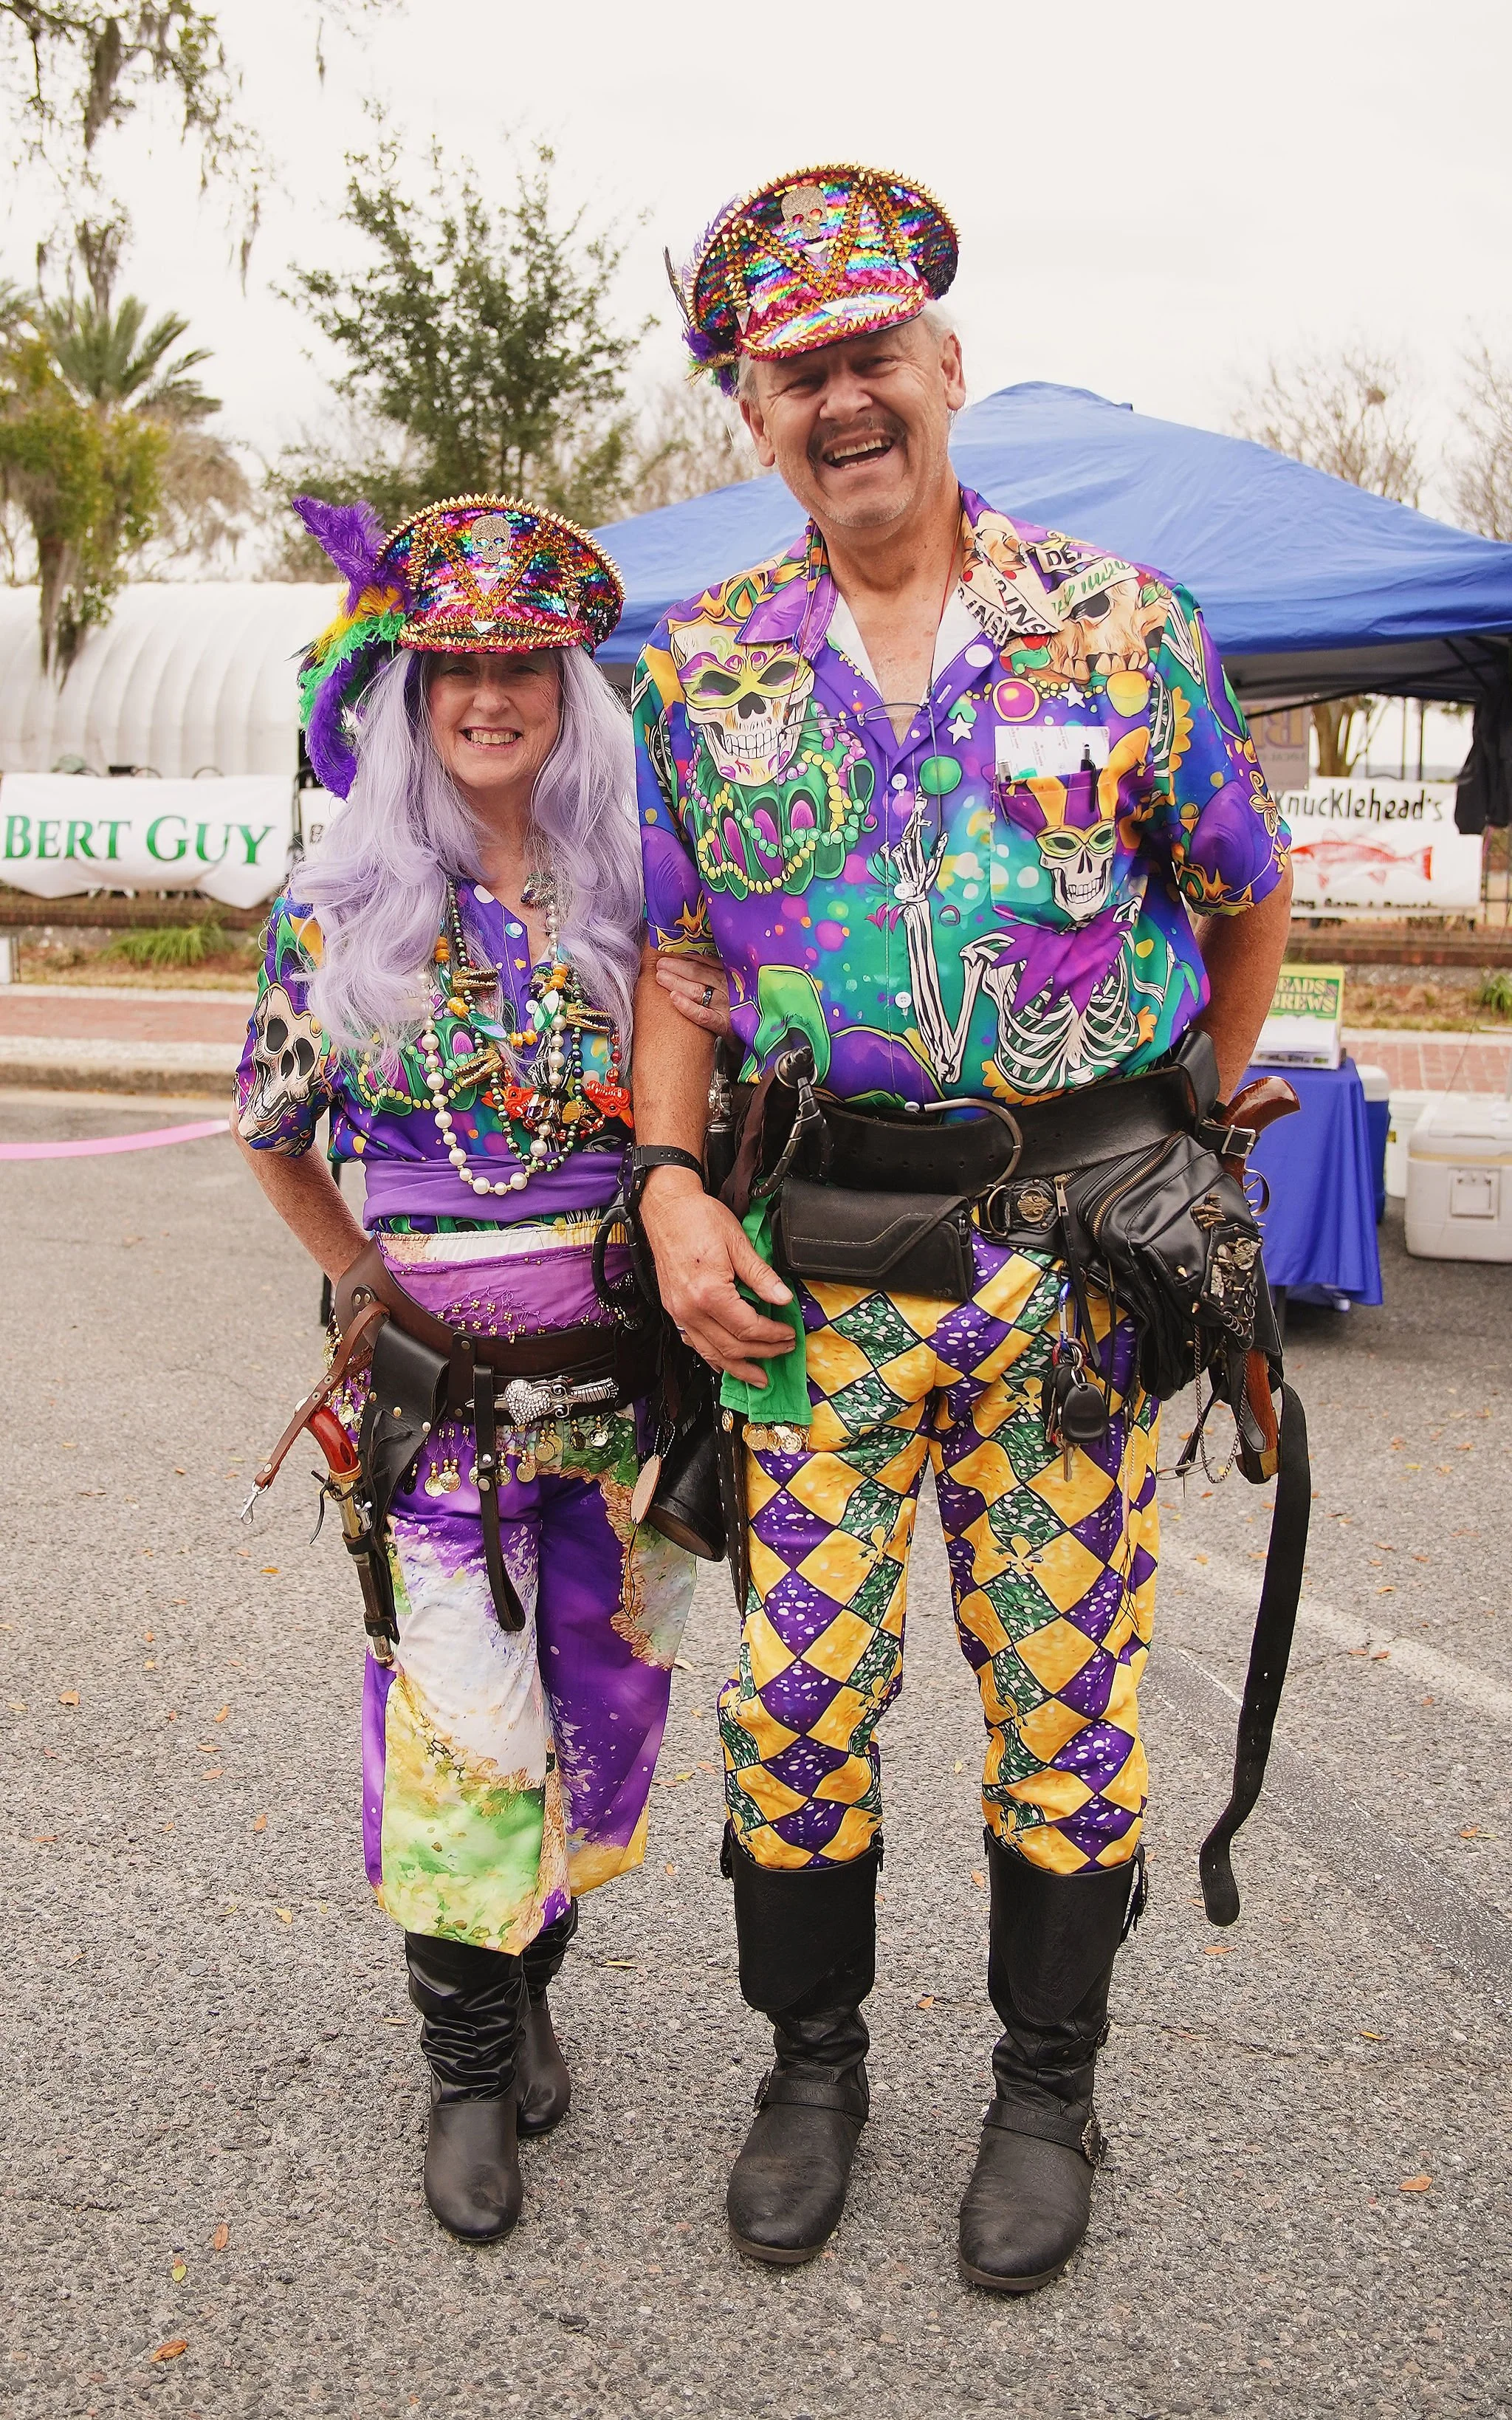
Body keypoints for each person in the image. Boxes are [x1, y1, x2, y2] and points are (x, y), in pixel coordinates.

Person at [633, 165, 1293, 2290]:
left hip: (1068, 1284)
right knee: (799, 1695)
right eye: (793, 371)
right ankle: (809, 2066)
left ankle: (1044, 2080)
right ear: (753, 411)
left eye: (870, 357)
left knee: (1067, 1693)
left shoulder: (1120, 623)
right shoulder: (708, 672)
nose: (841, 399)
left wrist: (1186, 1120)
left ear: (944, 365)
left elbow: (1244, 877)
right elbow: (673, 963)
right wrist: (663, 1188)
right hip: (810, 1275)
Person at [233, 494, 695, 2244]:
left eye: (524, 666)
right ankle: (461, 2068)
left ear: (569, 693)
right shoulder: (336, 911)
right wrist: (368, 1290)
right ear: (407, 700)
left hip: (628, 1416)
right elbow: (276, 1134)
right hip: (432, 1426)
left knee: (595, 1719)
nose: (490, 695)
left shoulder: (646, 895)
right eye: (457, 671)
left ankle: (532, 1987)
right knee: (458, 1733)